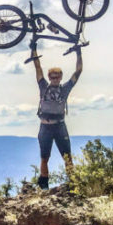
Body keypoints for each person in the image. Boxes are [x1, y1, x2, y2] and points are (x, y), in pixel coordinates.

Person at [29, 40, 82, 189]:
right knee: (44, 157)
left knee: (67, 156)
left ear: (61, 77)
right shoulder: (43, 86)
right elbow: (37, 67)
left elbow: (78, 72)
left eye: (57, 76)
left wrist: (79, 53)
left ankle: (74, 183)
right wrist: (33, 49)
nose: (55, 78)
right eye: (52, 76)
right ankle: (44, 184)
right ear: (49, 77)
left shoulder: (65, 89)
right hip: (45, 127)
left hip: (59, 127)